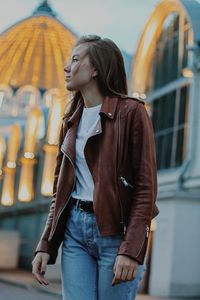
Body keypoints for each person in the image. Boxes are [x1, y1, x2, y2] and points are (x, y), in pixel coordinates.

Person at [32, 34, 159, 300]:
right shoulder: (69, 122)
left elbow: (146, 189)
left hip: (116, 234)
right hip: (75, 232)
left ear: (96, 69)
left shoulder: (132, 113)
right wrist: (46, 243)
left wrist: (131, 249)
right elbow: (61, 191)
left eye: (76, 60)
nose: (67, 67)